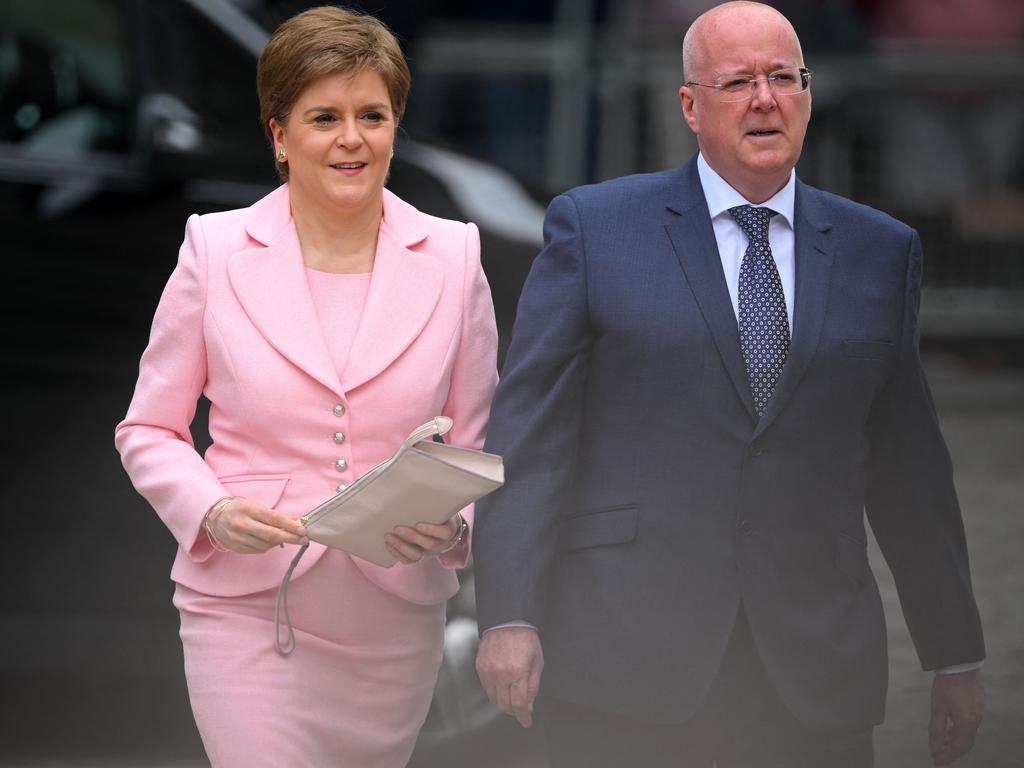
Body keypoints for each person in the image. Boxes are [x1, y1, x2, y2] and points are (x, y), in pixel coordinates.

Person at [472, 3, 984, 767]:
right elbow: (531, 440)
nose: (765, 98)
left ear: (809, 94)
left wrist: (955, 654)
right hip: (626, 662)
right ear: (690, 104)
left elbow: (910, 468)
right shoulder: (596, 229)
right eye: (738, 80)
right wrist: (508, 613)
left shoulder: (881, 250)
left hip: (813, 672)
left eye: (784, 77)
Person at [114, 7, 497, 766]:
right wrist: (211, 509)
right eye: (325, 117)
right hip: (247, 610)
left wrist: (456, 532)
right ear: (280, 135)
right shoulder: (214, 249)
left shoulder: (456, 258)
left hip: (393, 625)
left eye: (373, 116)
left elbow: (479, 446)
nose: (352, 138)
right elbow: (148, 428)